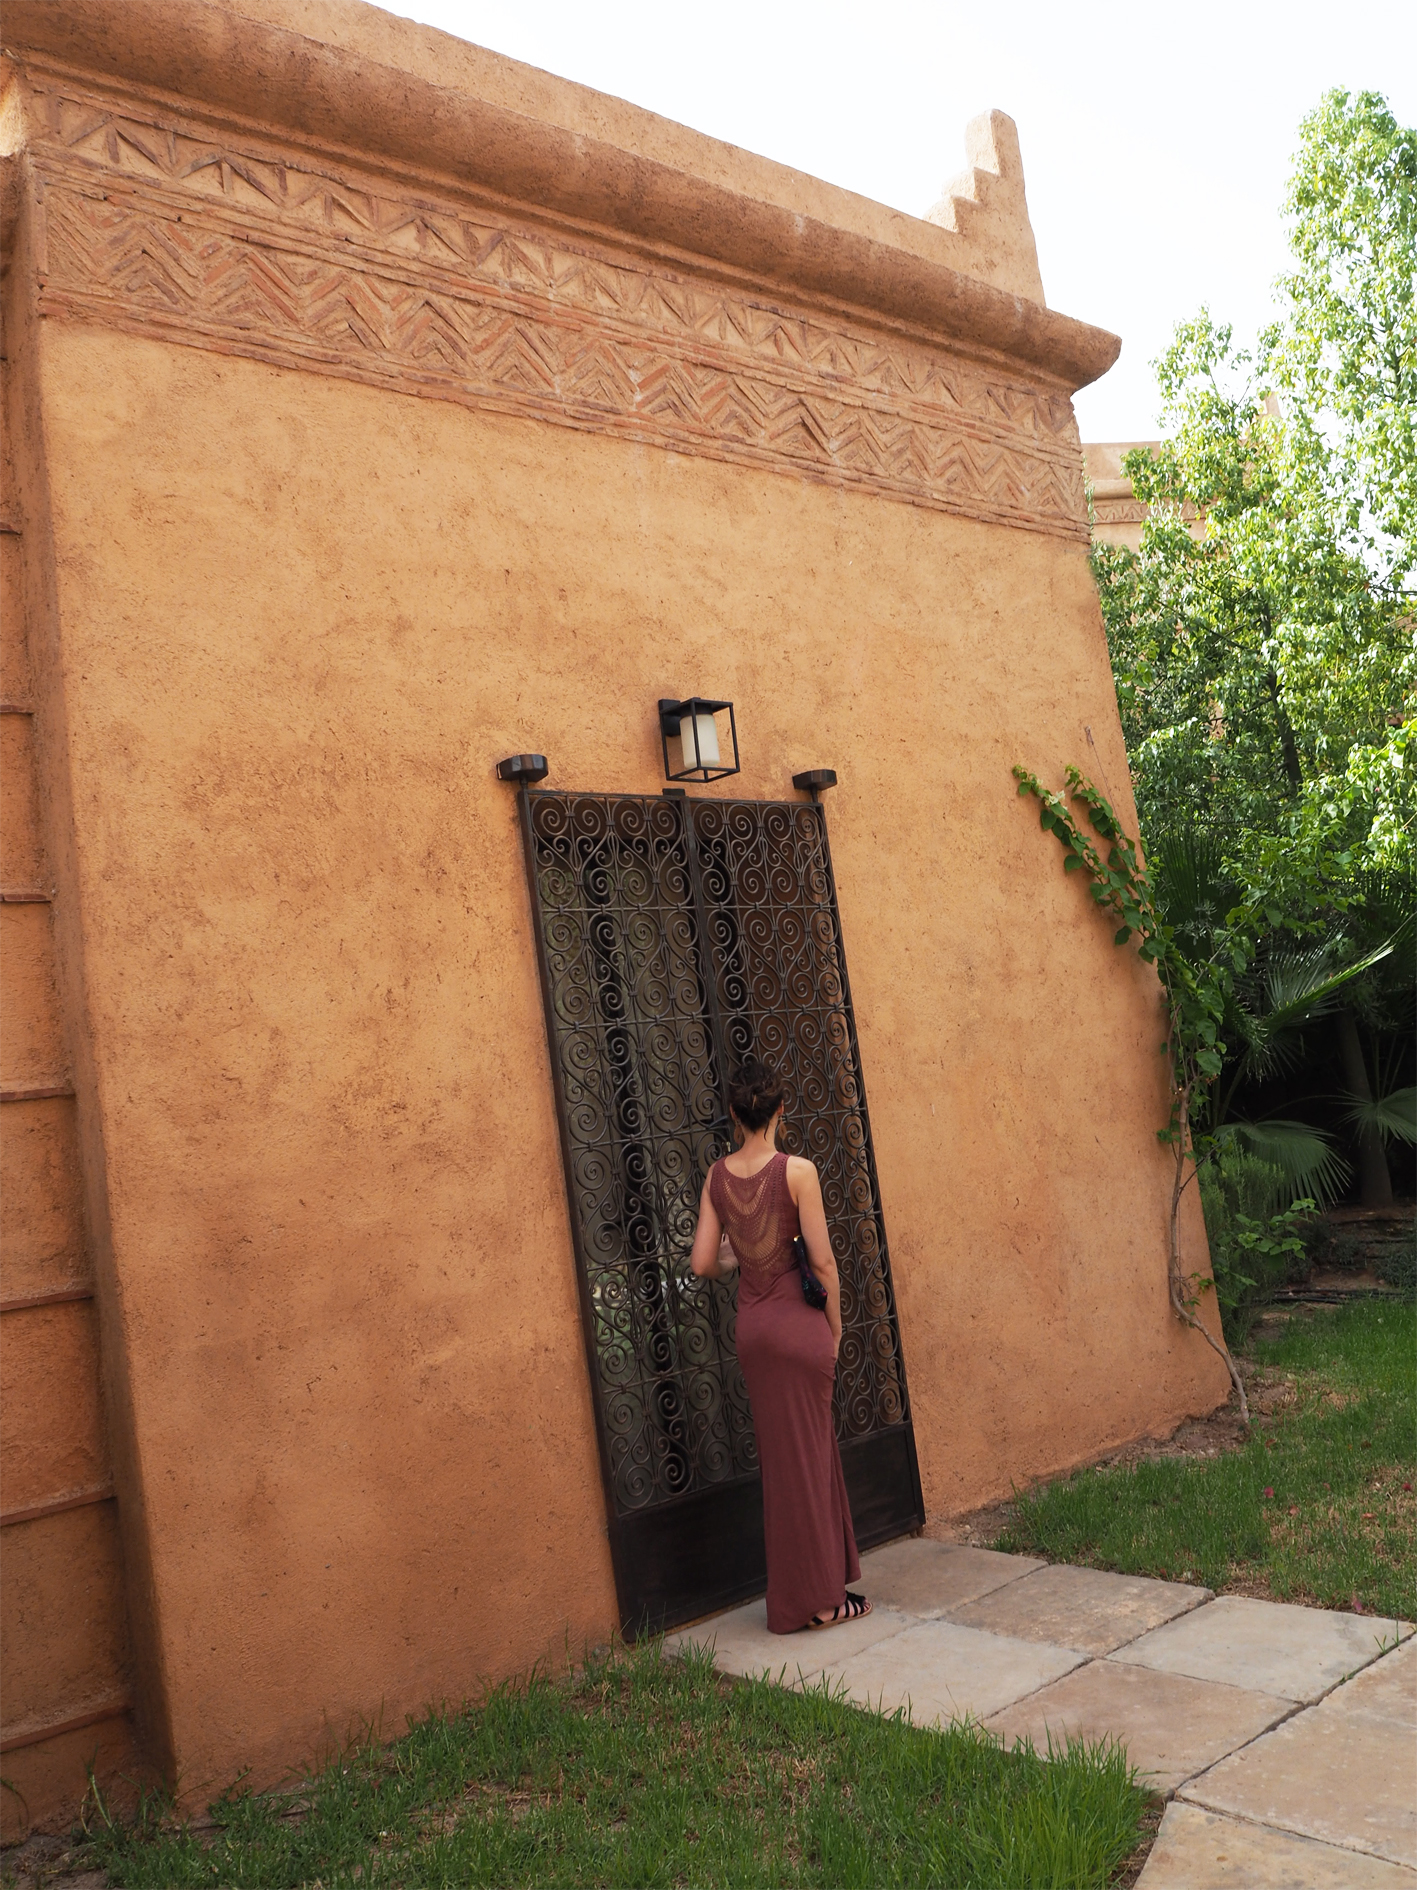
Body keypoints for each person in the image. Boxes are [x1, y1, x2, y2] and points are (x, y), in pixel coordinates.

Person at [689, 1057, 868, 1632]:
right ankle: (818, 1602)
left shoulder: (717, 1177)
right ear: (779, 1111)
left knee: (784, 1464)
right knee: (810, 1459)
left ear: (736, 1116)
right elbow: (821, 1260)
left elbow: (701, 1263)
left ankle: (811, 1591)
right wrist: (836, 1328)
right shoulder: (798, 1171)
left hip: (755, 1333)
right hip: (798, 1328)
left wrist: (740, 1256)